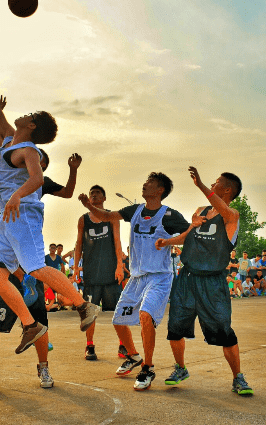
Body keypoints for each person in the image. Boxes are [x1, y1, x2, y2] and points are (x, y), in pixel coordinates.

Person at [0, 56, 98, 394]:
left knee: (35, 267)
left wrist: (15, 196)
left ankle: (82, 304)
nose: (22, 114)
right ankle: (30, 326)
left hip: (23, 214)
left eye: (29, 115)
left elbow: (37, 178)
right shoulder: (6, 140)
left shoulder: (28, 148)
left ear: (31, 126)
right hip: (9, 219)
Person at [78, 171, 190, 391]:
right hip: (137, 276)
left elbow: (189, 233)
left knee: (145, 316)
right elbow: (108, 216)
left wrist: (169, 241)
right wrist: (89, 207)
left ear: (159, 190)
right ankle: (133, 356)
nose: (144, 185)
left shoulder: (168, 215)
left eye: (149, 183)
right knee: (118, 320)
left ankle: (147, 367)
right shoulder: (136, 210)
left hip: (159, 276)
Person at [152, 167, 253, 395]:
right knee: (176, 327)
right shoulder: (200, 211)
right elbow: (187, 235)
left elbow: (224, 210)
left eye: (216, 182)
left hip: (213, 282)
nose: (212, 183)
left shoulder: (232, 216)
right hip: (187, 278)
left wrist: (199, 184)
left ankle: (238, 377)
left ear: (226, 190)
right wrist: (166, 242)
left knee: (224, 331)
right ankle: (180, 368)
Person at [73, 184, 125, 361]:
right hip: (91, 274)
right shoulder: (83, 219)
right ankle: (90, 346)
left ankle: (123, 345)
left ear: (104, 198)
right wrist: (75, 269)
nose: (94, 195)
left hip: (110, 273)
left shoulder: (112, 217)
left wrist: (120, 266)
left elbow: (118, 242)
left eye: (97, 193)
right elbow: (78, 244)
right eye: (91, 194)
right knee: (90, 313)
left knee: (117, 311)